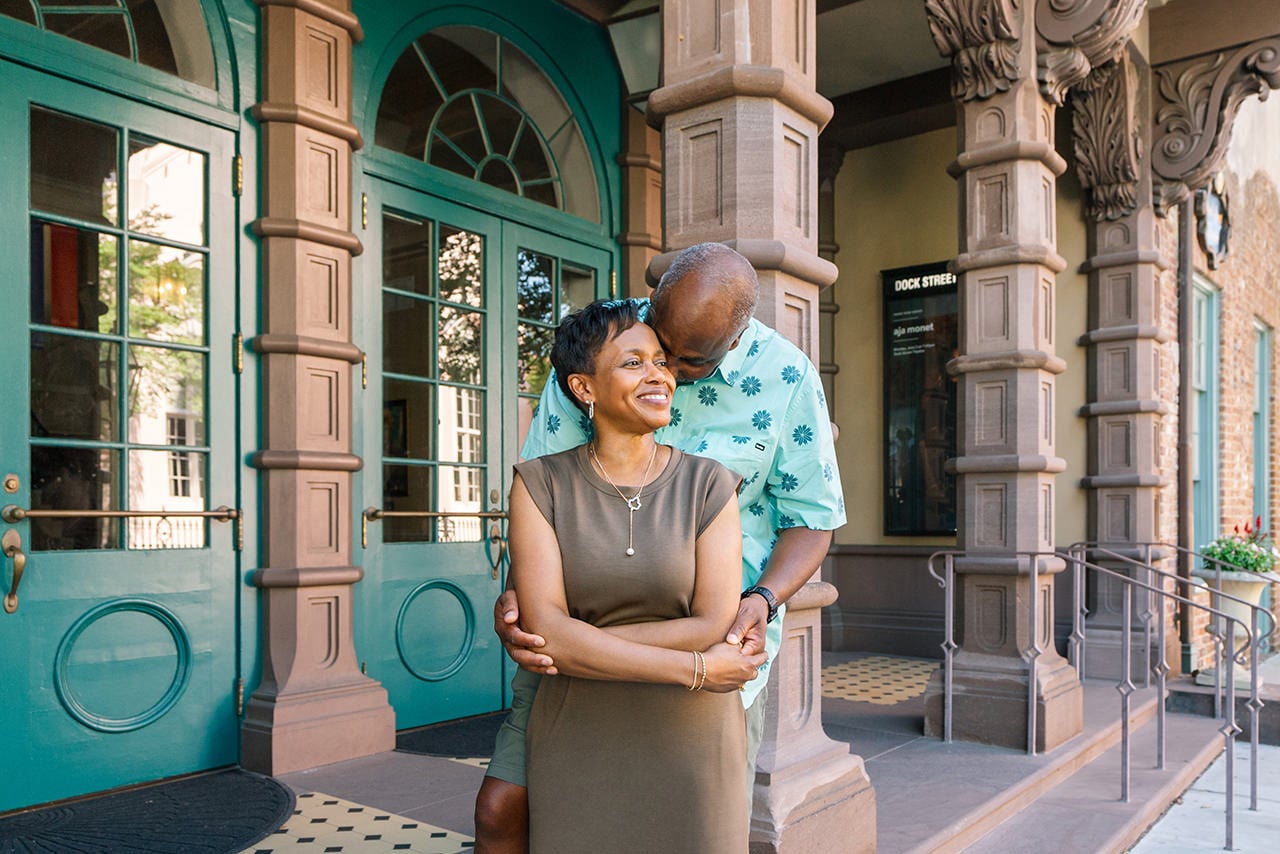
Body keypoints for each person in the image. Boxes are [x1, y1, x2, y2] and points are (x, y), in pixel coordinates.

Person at [475, 242, 846, 853]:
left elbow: (813, 516)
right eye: (655, 346)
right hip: (582, 630)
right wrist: (529, 600)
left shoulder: (785, 379)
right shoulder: (613, 336)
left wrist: (763, 599)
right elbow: (545, 485)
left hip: (708, 638)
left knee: (686, 828)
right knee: (506, 810)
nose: (665, 368)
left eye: (686, 359)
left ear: (736, 335)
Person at [510, 298, 761, 852]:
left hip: (691, 743)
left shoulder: (710, 484)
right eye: (633, 363)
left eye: (661, 362)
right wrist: (697, 668)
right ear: (584, 388)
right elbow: (545, 630)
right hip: (580, 735)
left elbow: (714, 618)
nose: (659, 376)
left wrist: (580, 646)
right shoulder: (538, 485)